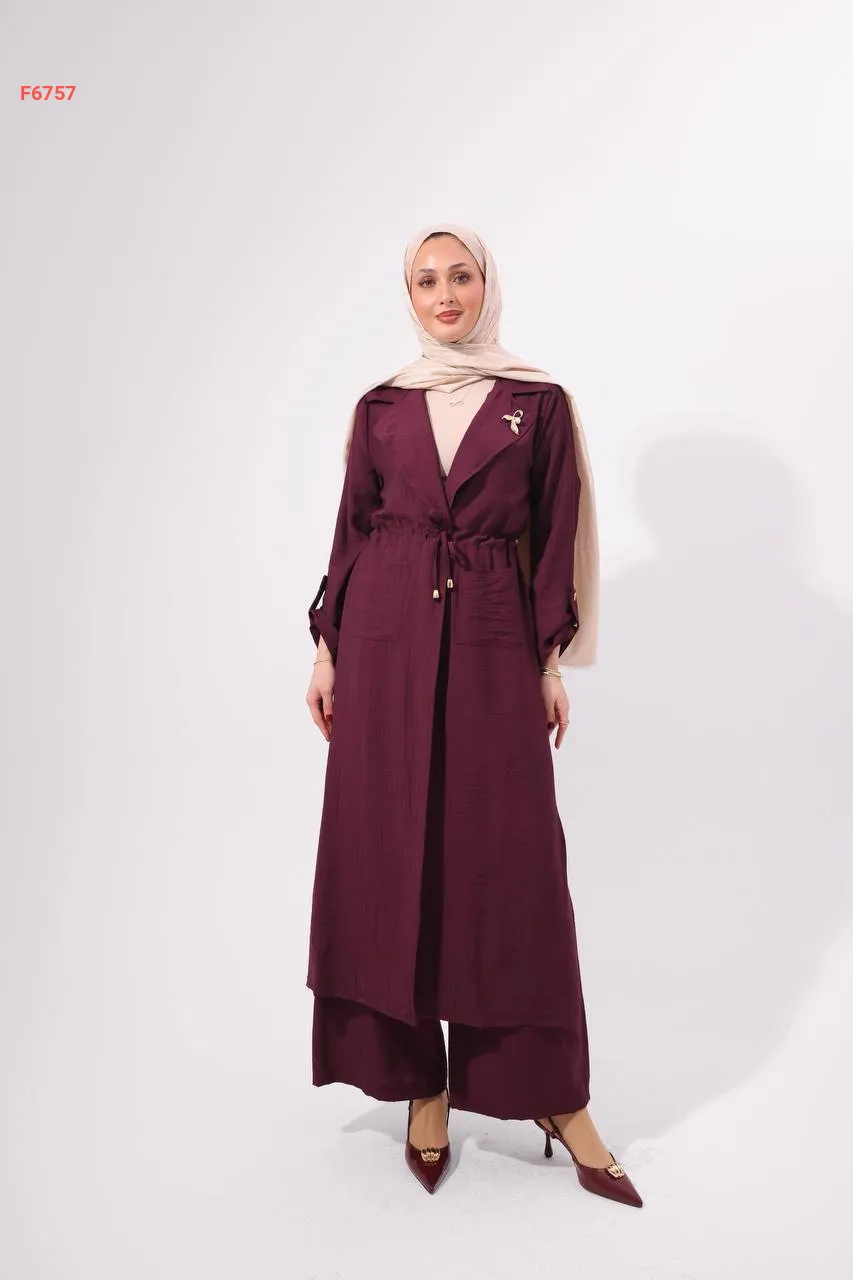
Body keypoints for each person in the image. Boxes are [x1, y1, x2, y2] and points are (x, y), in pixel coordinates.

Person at [304, 222, 642, 1206]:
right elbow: (351, 530)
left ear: (488, 284)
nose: (444, 294)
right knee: (388, 849)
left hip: (494, 633)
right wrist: (326, 648)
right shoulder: (381, 404)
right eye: (425, 280)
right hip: (382, 638)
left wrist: (547, 660)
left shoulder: (537, 403)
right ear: (408, 295)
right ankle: (422, 1082)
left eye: (460, 276)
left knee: (509, 863)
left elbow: (553, 534)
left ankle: (552, 1095)